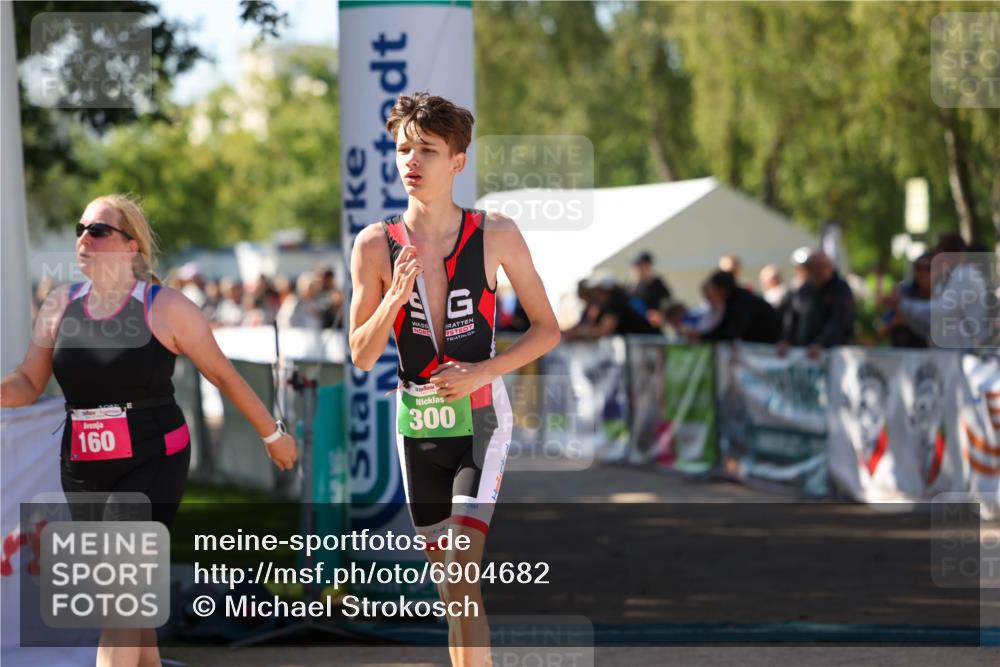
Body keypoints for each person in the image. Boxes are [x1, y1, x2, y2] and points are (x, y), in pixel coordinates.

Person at [0, 194, 297, 667]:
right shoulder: (59, 305)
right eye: (81, 228)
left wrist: (272, 435)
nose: (83, 238)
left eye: (98, 230)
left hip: (152, 459)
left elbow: (222, 374)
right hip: (83, 466)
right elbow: (28, 382)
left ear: (130, 246)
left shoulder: (165, 306)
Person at [348, 93, 560, 667]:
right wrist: (392, 297)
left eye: (427, 150)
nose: (411, 161)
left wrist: (482, 373)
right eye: (402, 149)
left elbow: (547, 330)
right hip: (416, 424)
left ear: (458, 162)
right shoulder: (373, 244)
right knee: (452, 592)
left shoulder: (496, 233)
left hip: (481, 417)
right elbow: (362, 356)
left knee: (462, 574)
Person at [887, 233, 992, 348]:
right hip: (949, 356)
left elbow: (942, 310)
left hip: (966, 356)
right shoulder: (946, 279)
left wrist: (903, 304)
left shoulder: (966, 275)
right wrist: (908, 319)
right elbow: (933, 327)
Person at [780, 249, 856, 357]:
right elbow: (793, 318)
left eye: (823, 267)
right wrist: (786, 340)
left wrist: (821, 344)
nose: (819, 272)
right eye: (815, 268)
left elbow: (839, 321)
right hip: (805, 354)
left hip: (834, 356)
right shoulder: (805, 290)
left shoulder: (841, 289)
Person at [690, 270, 782, 344]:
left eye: (714, 289)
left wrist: (702, 337)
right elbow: (724, 327)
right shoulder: (732, 301)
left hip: (769, 347)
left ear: (722, 289)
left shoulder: (742, 302)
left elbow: (730, 332)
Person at [564, 275, 659, 340]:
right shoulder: (607, 305)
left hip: (648, 346)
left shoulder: (617, 304)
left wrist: (578, 334)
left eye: (598, 290)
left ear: (606, 291)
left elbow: (604, 330)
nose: (596, 294)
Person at [881, 253, 932, 348]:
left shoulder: (942, 295)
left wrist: (910, 321)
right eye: (918, 268)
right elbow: (883, 331)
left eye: (928, 268)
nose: (923, 273)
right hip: (902, 354)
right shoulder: (904, 292)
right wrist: (897, 322)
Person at [629, 251, 672, 329]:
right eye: (636, 265)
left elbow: (667, 302)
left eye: (640, 265)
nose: (637, 268)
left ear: (648, 265)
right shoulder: (633, 286)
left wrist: (661, 315)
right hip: (635, 327)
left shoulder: (658, 283)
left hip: (653, 329)